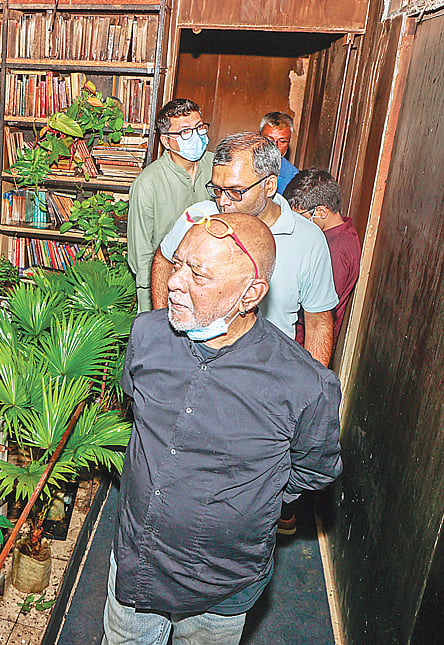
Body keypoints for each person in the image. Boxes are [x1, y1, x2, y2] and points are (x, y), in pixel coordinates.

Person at [103, 213, 343, 645]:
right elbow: (135, 407)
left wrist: (252, 500)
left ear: (251, 294)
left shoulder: (304, 383)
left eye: (199, 274)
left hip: (220, 584)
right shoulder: (147, 334)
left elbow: (314, 469)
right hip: (136, 557)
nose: (175, 282)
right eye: (178, 264)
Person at [150, 132, 338, 367]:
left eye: (236, 191)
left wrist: (312, 384)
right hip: (193, 364)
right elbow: (163, 258)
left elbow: (319, 321)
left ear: (269, 185)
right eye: (217, 190)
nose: (224, 202)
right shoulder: (197, 217)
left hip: (265, 375)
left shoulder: (309, 240)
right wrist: (166, 329)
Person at [127, 99, 214, 312]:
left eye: (199, 127)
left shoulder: (218, 167)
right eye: (185, 132)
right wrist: (153, 305)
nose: (196, 136)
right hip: (165, 287)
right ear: (166, 140)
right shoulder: (148, 183)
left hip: (210, 286)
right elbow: (141, 253)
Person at [284, 168, 362, 348]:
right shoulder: (339, 232)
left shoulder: (335, 252)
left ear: (321, 211)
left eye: (300, 217)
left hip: (305, 345)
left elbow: (317, 314)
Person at [260, 112, 298, 193]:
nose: (275, 146)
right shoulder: (241, 164)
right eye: (269, 140)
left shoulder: (294, 178)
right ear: (259, 137)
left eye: (282, 141)